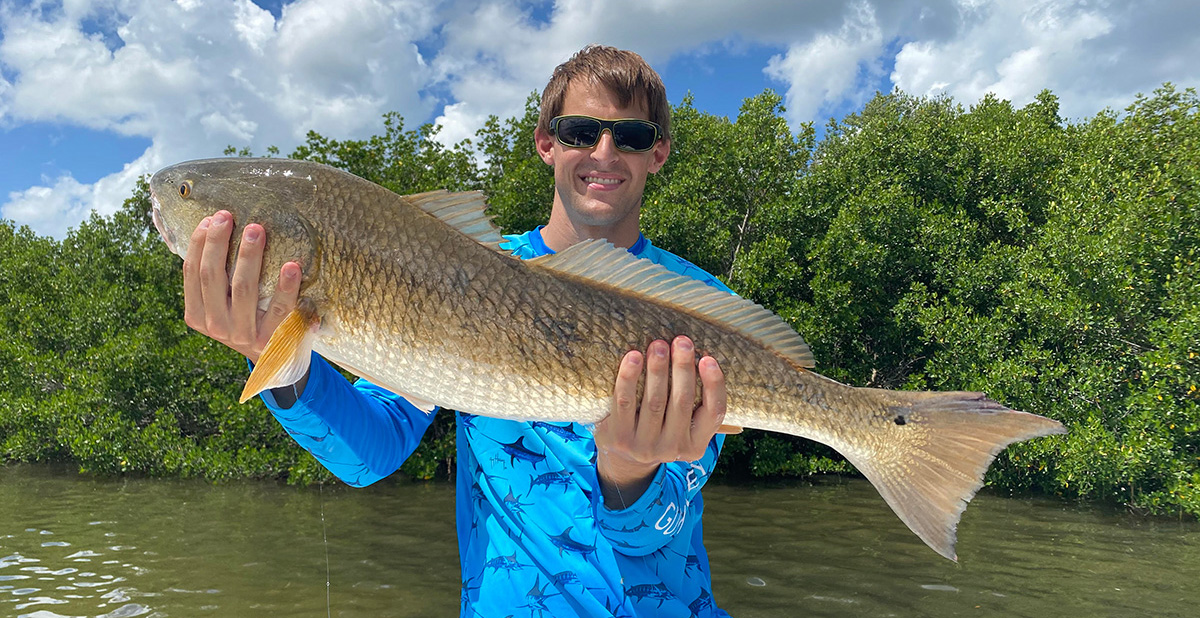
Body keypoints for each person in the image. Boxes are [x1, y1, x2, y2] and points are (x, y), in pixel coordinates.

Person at [182, 45, 734, 617]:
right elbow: (368, 456)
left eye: (632, 136)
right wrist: (272, 357)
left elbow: (652, 531)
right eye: (579, 131)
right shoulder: (451, 272)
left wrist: (630, 468)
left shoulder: (702, 312)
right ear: (546, 142)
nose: (604, 152)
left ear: (659, 151)